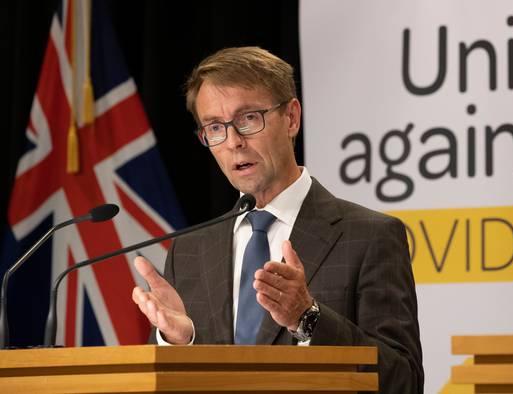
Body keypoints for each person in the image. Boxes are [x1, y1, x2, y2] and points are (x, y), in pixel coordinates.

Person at [131, 46, 423, 393]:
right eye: (215, 127)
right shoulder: (190, 250)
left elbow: (403, 381)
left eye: (249, 119)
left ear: (291, 118)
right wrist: (179, 342)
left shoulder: (370, 236)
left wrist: (308, 317)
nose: (234, 142)